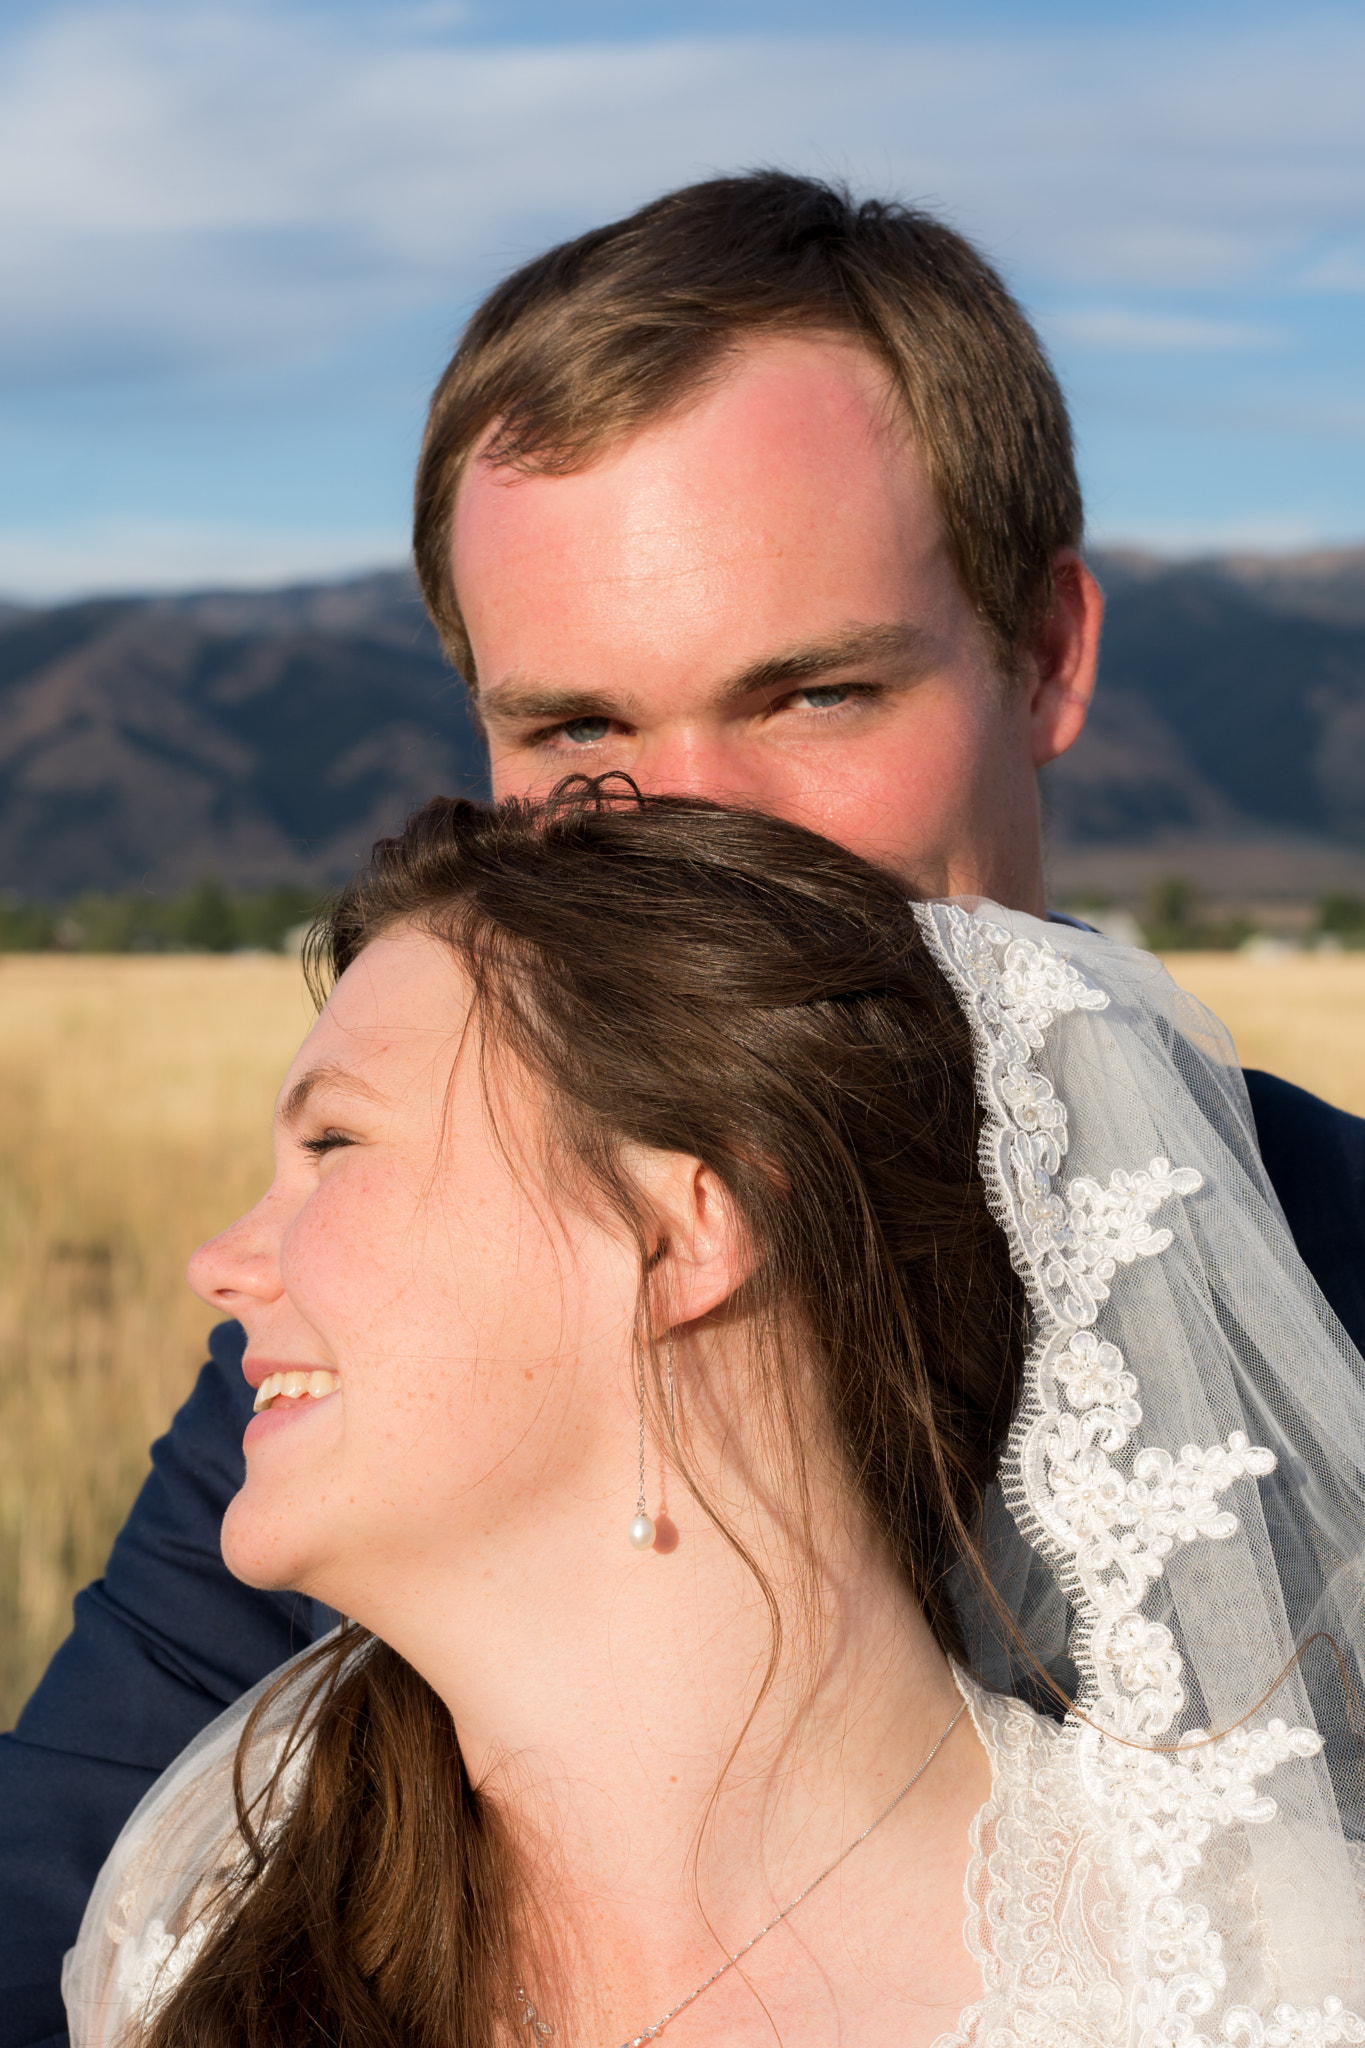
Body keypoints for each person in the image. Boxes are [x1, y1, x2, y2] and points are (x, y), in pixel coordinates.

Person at [5, 170, 1364, 2048]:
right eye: (577, 735)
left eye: (811, 694)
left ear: (1046, 657)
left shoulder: (1328, 1276)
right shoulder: (395, 1331)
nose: (699, 832)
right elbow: (50, 1882)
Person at [60, 785, 1365, 2045]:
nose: (221, 1263)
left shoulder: (1253, 1985)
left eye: (334, 1144)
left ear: (679, 1232)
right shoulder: (207, 1904)